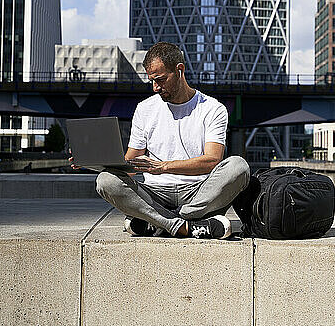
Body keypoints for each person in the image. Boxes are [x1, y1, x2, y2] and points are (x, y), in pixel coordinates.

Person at [95, 42, 250, 240]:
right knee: (105, 180)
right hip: (155, 194)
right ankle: (188, 226)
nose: (155, 87)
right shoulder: (144, 109)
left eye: (160, 80)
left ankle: (157, 222)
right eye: (151, 81)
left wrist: (163, 167)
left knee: (238, 166)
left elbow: (212, 161)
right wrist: (94, 162)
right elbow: (130, 165)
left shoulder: (213, 108)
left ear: (179, 70)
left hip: (199, 192)